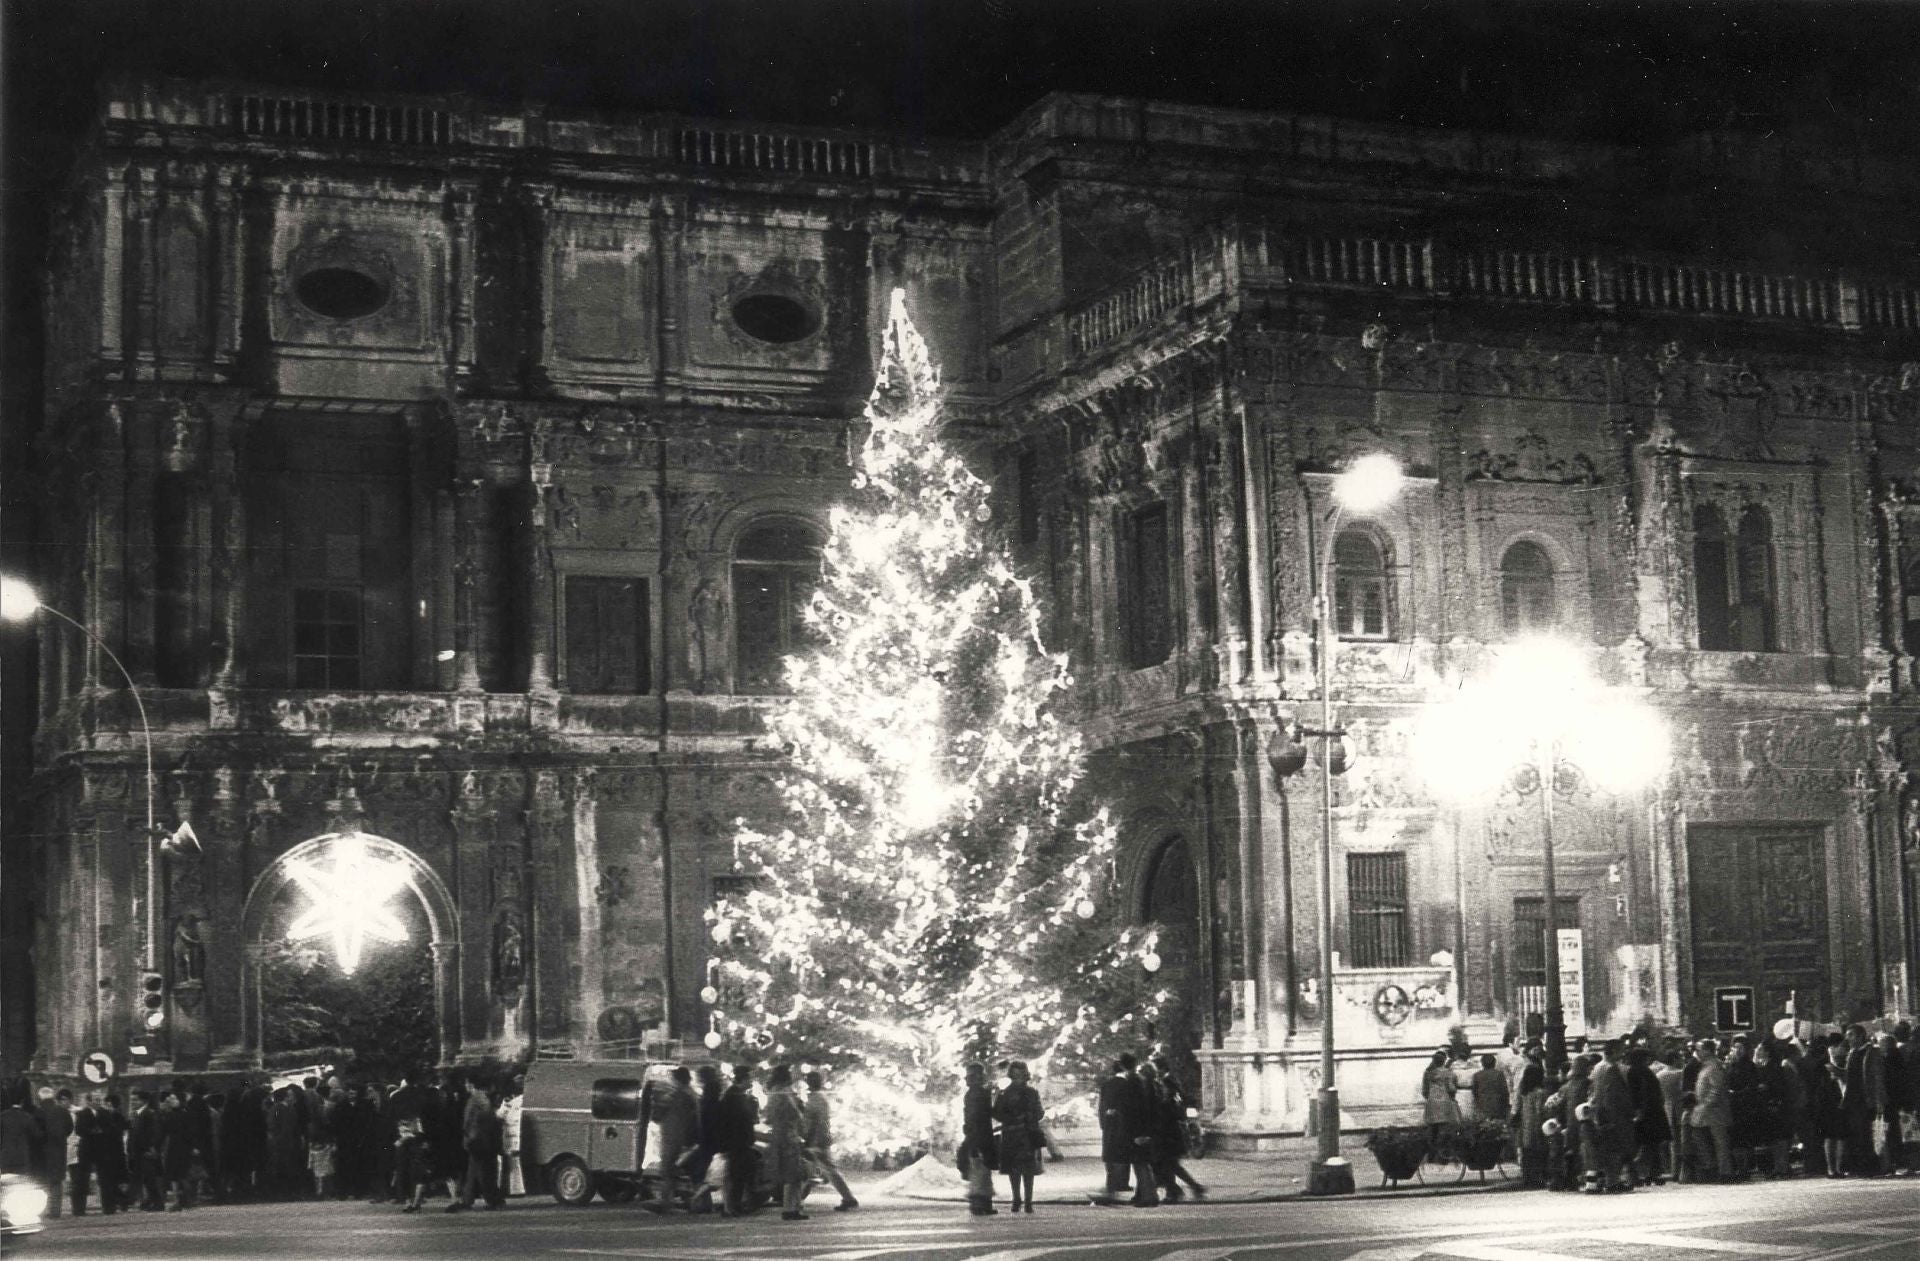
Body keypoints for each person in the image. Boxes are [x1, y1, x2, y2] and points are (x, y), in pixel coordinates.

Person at [1095, 1054, 1156, 1207]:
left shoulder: (1132, 1082)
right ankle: (1143, 1194)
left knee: (1140, 1162)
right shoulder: (1138, 1080)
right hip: (1139, 1126)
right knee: (1139, 1161)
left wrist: (1136, 1130)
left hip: (1135, 1127)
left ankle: (1149, 1196)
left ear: (1122, 1065)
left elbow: (1132, 1107)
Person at [1145, 1056, 1206, 1202]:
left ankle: (1180, 1190)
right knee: (1169, 1165)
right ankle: (1177, 1190)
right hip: (1171, 1131)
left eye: (1155, 1068)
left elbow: (1169, 1106)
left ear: (1160, 1068)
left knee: (1168, 1164)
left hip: (1169, 1132)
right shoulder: (1170, 1082)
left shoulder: (1167, 1083)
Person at [801, 1070, 858, 1212]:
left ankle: (794, 1202)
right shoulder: (819, 1097)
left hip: (817, 1139)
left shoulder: (816, 1098)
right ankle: (848, 1197)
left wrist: (810, 1138)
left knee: (815, 1169)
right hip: (819, 1138)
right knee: (824, 1169)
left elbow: (816, 1121)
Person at [992, 1060, 1044, 1213]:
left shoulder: (1009, 1093)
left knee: (1023, 1170)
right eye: (1016, 1076)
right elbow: (997, 1112)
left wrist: (1025, 1117)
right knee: (1020, 1170)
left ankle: (1022, 1200)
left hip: (1021, 1134)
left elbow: (1039, 1112)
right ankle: (1022, 1200)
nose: (1019, 1079)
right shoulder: (1010, 1093)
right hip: (1020, 1134)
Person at [764, 1065, 810, 1222]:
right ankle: (791, 1208)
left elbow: (769, 1117)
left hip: (779, 1135)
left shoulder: (773, 1093)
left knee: (791, 1174)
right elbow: (795, 1114)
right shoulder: (784, 1093)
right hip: (788, 1136)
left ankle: (792, 1207)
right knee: (794, 1174)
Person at [651, 1066, 699, 1212]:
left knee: (667, 1170)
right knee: (678, 1170)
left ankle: (667, 1203)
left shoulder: (674, 1096)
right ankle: (687, 1200)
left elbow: (656, 1115)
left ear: (677, 1080)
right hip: (686, 1138)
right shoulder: (692, 1095)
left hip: (673, 1138)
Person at [452, 1079, 504, 1211]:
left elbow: (469, 1121)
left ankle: (487, 1200)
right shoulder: (484, 1098)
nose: (465, 1086)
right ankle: (474, 1199)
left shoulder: (475, 1099)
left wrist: (468, 1136)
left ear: (471, 1084)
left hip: (477, 1141)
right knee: (477, 1171)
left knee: (481, 1172)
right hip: (484, 1140)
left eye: (466, 1084)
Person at [1841, 1024, 1886, 1175]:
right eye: (1847, 1035)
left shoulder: (1871, 1052)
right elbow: (1849, 1075)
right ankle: (1858, 1166)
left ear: (1861, 1036)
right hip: (1852, 1098)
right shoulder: (1851, 1053)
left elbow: (1878, 1076)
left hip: (1866, 1098)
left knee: (1866, 1133)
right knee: (1855, 1133)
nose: (1848, 1038)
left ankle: (1870, 1167)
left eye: (1851, 1035)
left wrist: (1879, 1100)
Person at [716, 1064, 759, 1217]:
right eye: (750, 1078)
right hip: (736, 1142)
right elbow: (731, 1121)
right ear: (744, 1078)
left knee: (741, 1174)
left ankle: (736, 1205)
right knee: (736, 1175)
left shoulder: (737, 1095)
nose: (752, 1082)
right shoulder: (733, 1096)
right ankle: (732, 1206)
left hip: (740, 1142)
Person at [1624, 1045, 1669, 1185]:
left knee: (1648, 1144)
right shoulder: (1640, 1072)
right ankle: (1646, 1173)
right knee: (1648, 1145)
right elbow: (1641, 1093)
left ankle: (1650, 1173)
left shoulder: (1636, 1071)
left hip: (1648, 1112)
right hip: (1649, 1112)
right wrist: (1639, 1110)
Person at [1688, 1038, 1732, 1181]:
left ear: (1707, 1050)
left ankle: (1724, 1172)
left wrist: (1706, 1103)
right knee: (1704, 1139)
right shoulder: (1706, 1066)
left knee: (1720, 1142)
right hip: (1706, 1111)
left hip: (1714, 1111)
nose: (1697, 1052)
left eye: (1699, 1049)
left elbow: (1716, 1088)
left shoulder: (1713, 1067)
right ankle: (1713, 1168)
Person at [72, 1090, 122, 1215]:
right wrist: (92, 1131)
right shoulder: (82, 1114)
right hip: (87, 1150)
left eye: (100, 1100)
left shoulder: (105, 1113)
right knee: (82, 1180)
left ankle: (109, 1207)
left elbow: (112, 1129)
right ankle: (79, 1209)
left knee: (106, 1179)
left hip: (102, 1150)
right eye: (95, 1100)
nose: (98, 1102)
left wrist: (102, 1131)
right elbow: (79, 1130)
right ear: (89, 1101)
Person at [959, 1062, 997, 1216]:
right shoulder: (978, 1094)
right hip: (979, 1135)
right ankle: (979, 1204)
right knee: (980, 1172)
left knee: (982, 1171)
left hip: (978, 1135)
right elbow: (978, 1116)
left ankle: (983, 1204)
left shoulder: (974, 1094)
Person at [34, 1085, 72, 1218]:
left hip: (41, 1152)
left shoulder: (37, 1112)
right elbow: (69, 1128)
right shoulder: (62, 1111)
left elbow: (35, 1133)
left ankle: (42, 1210)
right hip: (59, 1150)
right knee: (56, 1182)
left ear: (40, 1098)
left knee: (42, 1182)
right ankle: (56, 1210)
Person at [1814, 1040, 1849, 1177]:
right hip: (1834, 1101)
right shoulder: (1841, 1064)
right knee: (1837, 1136)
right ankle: (1836, 1168)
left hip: (1827, 1103)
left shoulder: (1824, 1065)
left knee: (1832, 1136)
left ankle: (1833, 1169)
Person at [159, 1090, 198, 1210]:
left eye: (173, 1099)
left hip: (174, 1147)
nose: (171, 1101)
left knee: (176, 1176)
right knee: (182, 1175)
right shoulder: (187, 1114)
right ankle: (186, 1200)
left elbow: (163, 1130)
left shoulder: (170, 1115)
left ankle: (179, 1201)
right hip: (183, 1147)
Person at [1513, 1062, 1550, 1188]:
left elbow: (1516, 1107)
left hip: (1524, 1124)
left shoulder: (1522, 1091)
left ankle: (1527, 1177)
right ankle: (1539, 1178)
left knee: (1527, 1152)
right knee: (1539, 1152)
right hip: (1536, 1125)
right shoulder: (1540, 1093)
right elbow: (1540, 1111)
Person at [128, 1090, 165, 1210]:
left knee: (150, 1179)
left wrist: (152, 1148)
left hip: (146, 1152)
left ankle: (158, 1203)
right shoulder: (138, 1114)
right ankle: (149, 1201)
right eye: (132, 1100)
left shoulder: (149, 1113)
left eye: (135, 1100)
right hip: (139, 1152)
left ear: (143, 1101)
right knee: (144, 1179)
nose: (132, 1102)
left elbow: (155, 1132)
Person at [0, 1080, 43, 1177]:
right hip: (22, 1156)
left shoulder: (2, 1116)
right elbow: (37, 1134)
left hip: (5, 1155)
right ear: (22, 1101)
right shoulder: (27, 1117)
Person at [1420, 1048, 1461, 1142]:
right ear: (1444, 1061)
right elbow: (1451, 1089)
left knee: (1433, 1129)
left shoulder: (1428, 1074)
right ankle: (1443, 1150)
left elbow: (1425, 1091)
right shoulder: (1449, 1073)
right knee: (1445, 1129)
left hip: (1432, 1102)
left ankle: (1433, 1150)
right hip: (1445, 1103)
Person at [498, 1076, 525, 1198]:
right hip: (517, 1136)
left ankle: (505, 1189)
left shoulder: (511, 1102)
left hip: (510, 1136)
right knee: (515, 1164)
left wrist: (505, 1104)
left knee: (507, 1163)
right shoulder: (524, 1100)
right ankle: (516, 1189)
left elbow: (499, 1116)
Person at [1472, 1053, 1511, 1124]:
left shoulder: (1477, 1075)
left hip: (1482, 1104)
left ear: (1482, 1063)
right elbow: (1504, 1091)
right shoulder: (1499, 1074)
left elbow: (1474, 1091)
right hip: (1497, 1105)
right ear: (1494, 1063)